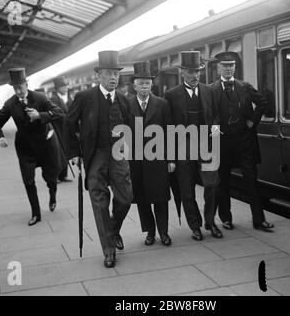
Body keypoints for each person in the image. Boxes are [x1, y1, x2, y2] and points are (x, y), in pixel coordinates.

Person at [65, 51, 133, 268]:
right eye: (109, 74)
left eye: (116, 74)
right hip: (95, 156)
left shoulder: (123, 100)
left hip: (118, 154)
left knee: (125, 198)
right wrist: (74, 153)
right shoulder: (85, 98)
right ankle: (109, 251)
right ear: (99, 76)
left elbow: (131, 127)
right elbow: (68, 123)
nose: (113, 78)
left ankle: (112, 230)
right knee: (99, 201)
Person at [0, 68, 64, 226]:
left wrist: (40, 115)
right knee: (28, 180)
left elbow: (58, 112)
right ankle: (36, 214)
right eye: (15, 88)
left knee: (51, 176)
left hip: (45, 144)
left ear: (26, 84)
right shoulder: (11, 103)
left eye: (20, 87)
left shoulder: (40, 97)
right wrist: (0, 136)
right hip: (25, 148)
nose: (18, 91)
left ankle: (52, 194)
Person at [212, 51, 274, 231]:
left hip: (244, 142)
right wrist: (216, 130)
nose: (228, 68)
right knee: (223, 182)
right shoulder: (212, 89)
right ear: (218, 68)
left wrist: (252, 123)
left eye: (231, 65)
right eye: (225, 66)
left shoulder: (245, 86)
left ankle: (259, 220)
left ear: (235, 67)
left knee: (251, 180)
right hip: (223, 144)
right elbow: (209, 114)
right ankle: (226, 219)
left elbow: (262, 102)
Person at [164, 51, 223, 241]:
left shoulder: (210, 91)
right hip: (182, 147)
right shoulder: (171, 95)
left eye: (197, 71)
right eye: (190, 72)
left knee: (212, 184)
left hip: (205, 145)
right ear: (182, 73)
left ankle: (210, 221)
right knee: (186, 190)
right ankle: (195, 226)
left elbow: (216, 116)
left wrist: (215, 131)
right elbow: (169, 126)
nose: (195, 75)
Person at [128, 61, 174, 246]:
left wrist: (171, 159)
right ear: (134, 86)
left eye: (147, 83)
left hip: (158, 159)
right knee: (142, 199)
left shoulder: (162, 104)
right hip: (136, 160)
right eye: (141, 83)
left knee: (161, 198)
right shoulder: (127, 104)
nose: (144, 87)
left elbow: (170, 131)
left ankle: (164, 233)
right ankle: (150, 233)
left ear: (151, 85)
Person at [50, 76, 72, 182]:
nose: (66, 88)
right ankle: (56, 176)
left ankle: (63, 175)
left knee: (65, 152)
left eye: (66, 86)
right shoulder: (54, 99)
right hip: (57, 129)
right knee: (57, 153)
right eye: (63, 87)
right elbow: (56, 114)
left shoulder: (68, 98)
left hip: (65, 129)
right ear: (57, 88)